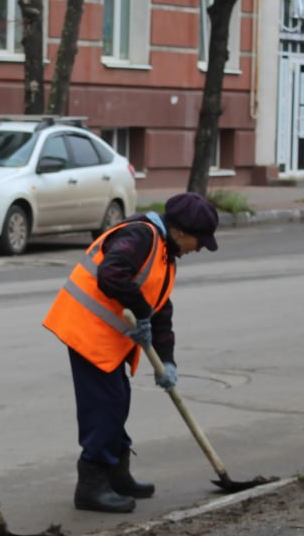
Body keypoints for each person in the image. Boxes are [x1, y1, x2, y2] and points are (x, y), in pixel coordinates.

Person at [43, 191, 219, 513]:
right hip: (87, 331)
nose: (199, 248)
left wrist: (167, 360)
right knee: (104, 408)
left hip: (107, 339)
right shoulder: (140, 236)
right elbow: (111, 273)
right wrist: (140, 311)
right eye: (200, 240)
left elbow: (161, 309)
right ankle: (91, 486)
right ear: (181, 231)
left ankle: (116, 473)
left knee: (117, 402)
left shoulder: (165, 254)